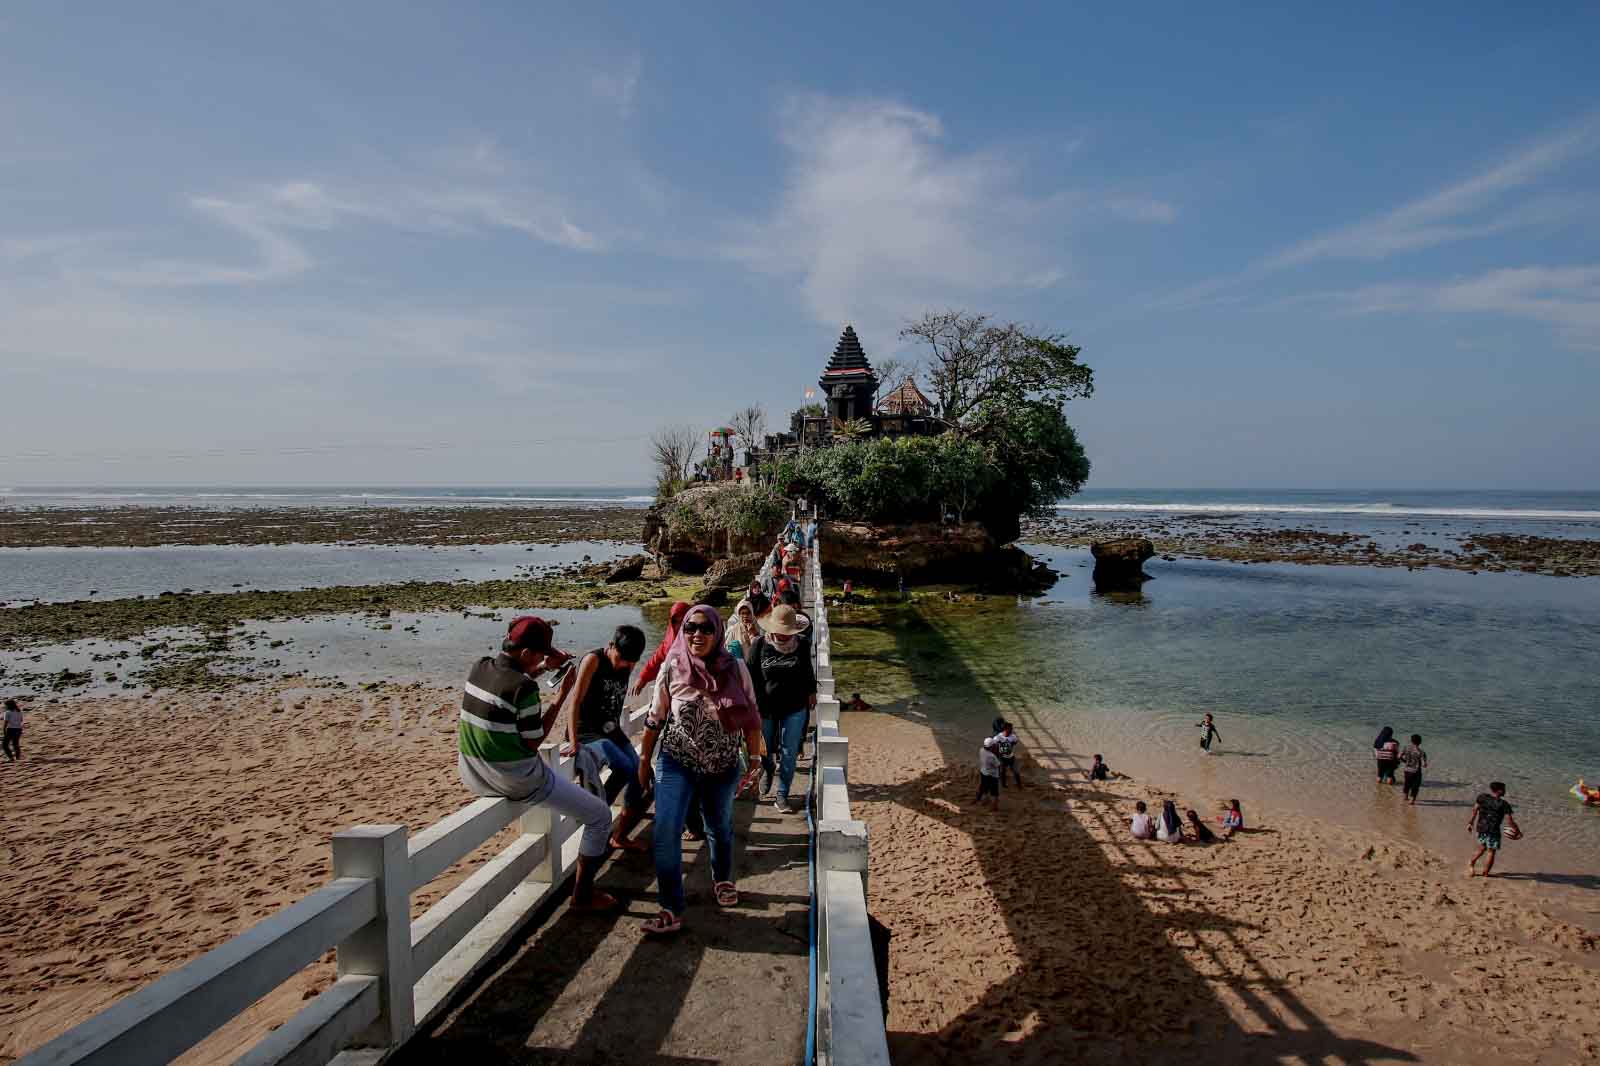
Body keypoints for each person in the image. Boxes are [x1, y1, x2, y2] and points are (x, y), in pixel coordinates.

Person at [458, 616, 617, 912]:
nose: (545, 658)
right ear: (526, 654)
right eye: (541, 654)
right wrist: (561, 696)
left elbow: (509, 687)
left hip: (472, 773)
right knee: (599, 817)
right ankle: (582, 896)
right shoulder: (524, 689)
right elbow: (533, 741)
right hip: (515, 779)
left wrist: (544, 665)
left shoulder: (479, 667)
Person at [637, 605, 766, 935]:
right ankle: (670, 907)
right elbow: (655, 718)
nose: (697, 634)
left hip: (722, 765)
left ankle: (722, 877)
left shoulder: (736, 669)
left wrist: (754, 761)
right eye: (691, 628)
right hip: (676, 760)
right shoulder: (672, 666)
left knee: (719, 826)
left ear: (718, 632)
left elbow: (751, 718)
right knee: (666, 831)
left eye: (706, 629)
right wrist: (643, 761)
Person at [560, 626, 649, 852]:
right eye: (621, 659)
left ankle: (619, 835)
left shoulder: (627, 662)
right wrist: (573, 741)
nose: (624, 666)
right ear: (611, 646)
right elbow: (575, 702)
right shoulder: (593, 660)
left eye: (631, 662)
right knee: (625, 767)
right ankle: (597, 810)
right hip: (586, 730)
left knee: (639, 772)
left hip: (609, 729)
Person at [746, 604, 818, 812]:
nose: (784, 636)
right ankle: (768, 771)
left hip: (795, 706)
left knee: (789, 751)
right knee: (766, 750)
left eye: (788, 633)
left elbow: (807, 670)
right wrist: (751, 705)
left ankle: (782, 794)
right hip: (766, 707)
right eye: (781, 632)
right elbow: (750, 677)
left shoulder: (802, 644)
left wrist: (811, 692)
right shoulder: (760, 645)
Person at [633, 602, 690, 697]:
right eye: (676, 622)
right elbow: (656, 660)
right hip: (675, 689)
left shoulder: (698, 641)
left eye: (683, 621)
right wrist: (642, 678)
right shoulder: (669, 642)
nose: (679, 626)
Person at [1467, 781, 1521, 878]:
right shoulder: (1504, 804)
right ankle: (1485, 873)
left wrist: (1470, 822)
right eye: (1504, 789)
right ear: (1499, 791)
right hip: (1493, 831)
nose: (1505, 791)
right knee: (1491, 851)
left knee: (1482, 848)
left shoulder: (1482, 797)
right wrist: (1518, 831)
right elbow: (1510, 821)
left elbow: (1475, 809)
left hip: (1481, 828)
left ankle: (1471, 862)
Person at [724, 597, 762, 662]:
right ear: (739, 615)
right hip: (741, 667)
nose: (745, 616)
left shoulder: (759, 625)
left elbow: (762, 647)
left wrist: (754, 633)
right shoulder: (735, 629)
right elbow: (727, 647)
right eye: (742, 613)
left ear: (752, 613)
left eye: (748, 613)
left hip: (757, 664)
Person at [991, 723, 1023, 788]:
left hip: (1011, 757)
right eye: (1010, 729)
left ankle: (1019, 785)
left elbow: (1015, 742)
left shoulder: (1013, 737)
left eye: (1012, 729)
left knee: (1016, 771)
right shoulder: (999, 737)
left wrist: (1010, 745)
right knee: (1002, 772)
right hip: (1002, 757)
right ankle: (1004, 785)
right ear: (1005, 729)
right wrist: (998, 749)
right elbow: (992, 744)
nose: (1012, 730)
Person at [1399, 733, 1428, 804]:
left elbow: (1399, 756)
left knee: (1407, 783)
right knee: (1415, 785)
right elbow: (1424, 765)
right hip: (1416, 771)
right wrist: (1423, 764)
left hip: (1407, 770)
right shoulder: (1421, 752)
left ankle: (1405, 797)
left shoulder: (1406, 748)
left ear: (1411, 741)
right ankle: (1412, 800)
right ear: (1420, 742)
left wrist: (1405, 761)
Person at [975, 737, 1001, 810]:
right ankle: (994, 807)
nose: (995, 746)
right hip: (992, 775)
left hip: (983, 772)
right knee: (994, 792)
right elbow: (998, 765)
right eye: (994, 745)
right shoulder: (992, 756)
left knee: (984, 787)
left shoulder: (981, 750)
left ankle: (983, 800)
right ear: (991, 747)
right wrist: (998, 775)